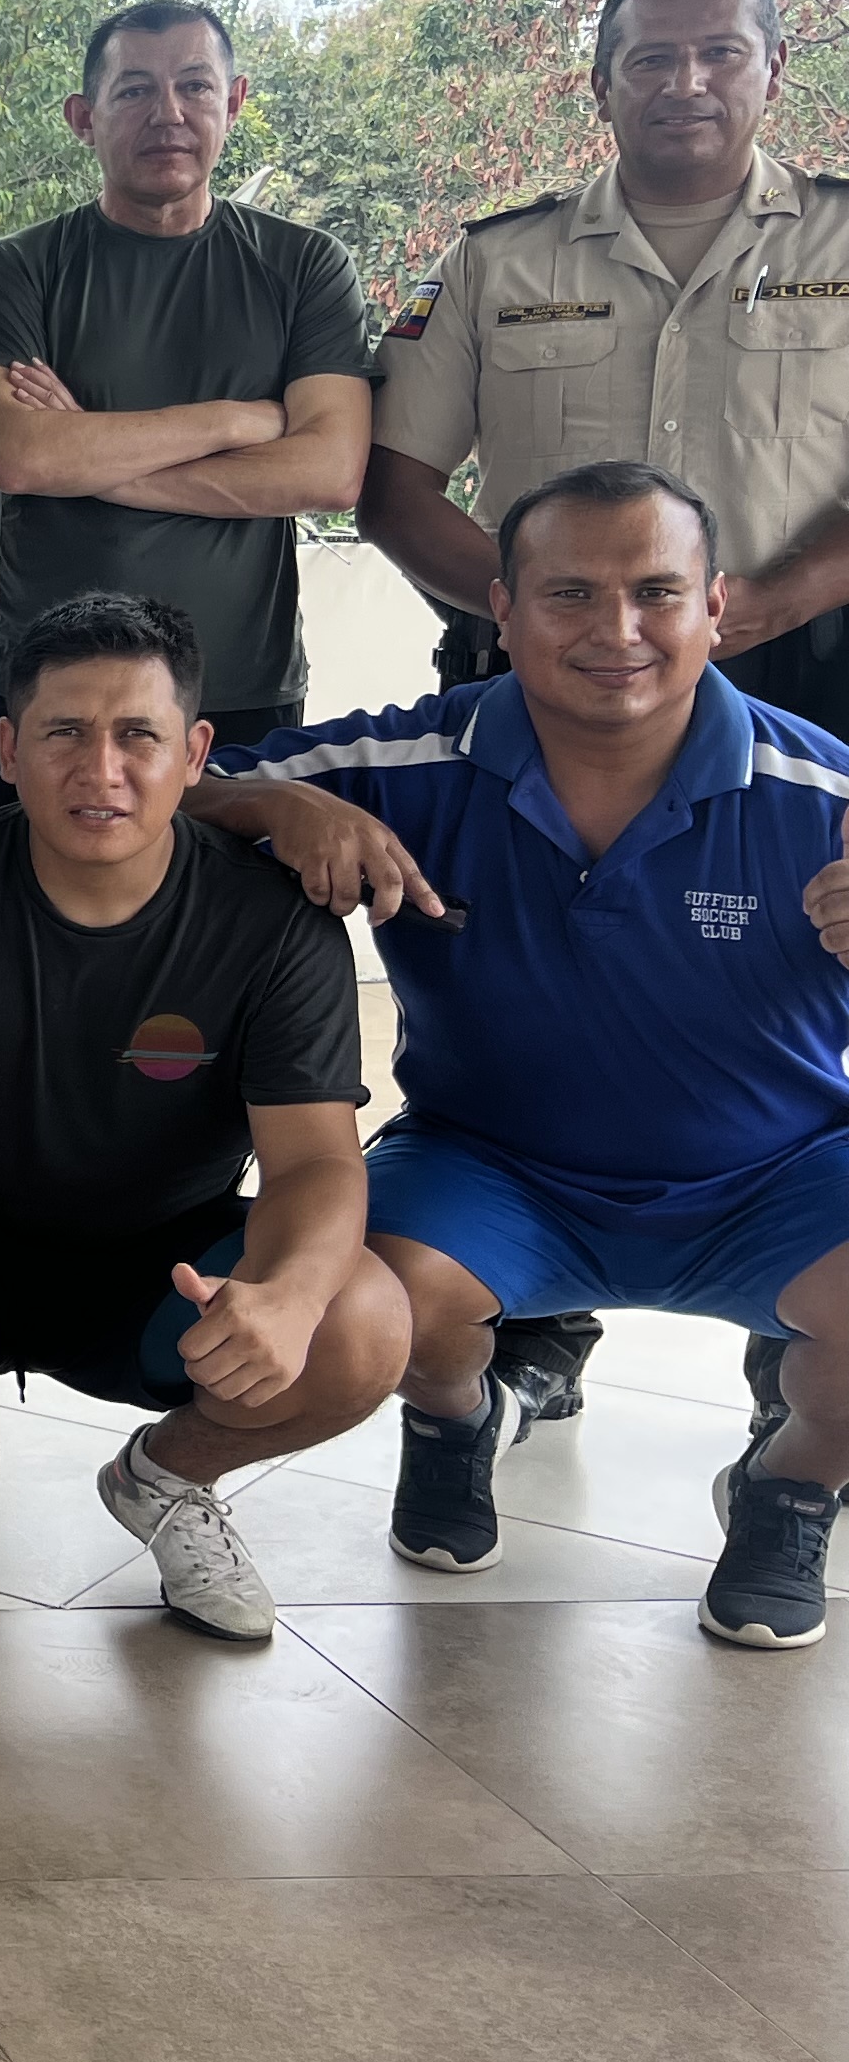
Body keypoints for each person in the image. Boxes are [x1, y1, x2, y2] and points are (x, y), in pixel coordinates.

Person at [192, 463, 849, 1649]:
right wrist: (281, 808)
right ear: (501, 609)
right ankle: (455, 1419)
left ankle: (791, 1489)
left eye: (657, 592)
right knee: (361, 1293)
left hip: (777, 1181)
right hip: (493, 1170)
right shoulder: (414, 761)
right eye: (570, 593)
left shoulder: (824, 788)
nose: (617, 630)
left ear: (716, 606)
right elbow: (159, 788)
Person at [355, 0, 849, 1435]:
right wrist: (541, 619)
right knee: (543, 984)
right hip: (539, 692)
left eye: (719, 52)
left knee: (795, 981)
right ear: (601, 82)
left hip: (804, 669)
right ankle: (530, 1319)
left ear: (773, 69)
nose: (685, 81)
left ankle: (798, 1353)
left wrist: (758, 608)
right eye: (651, 57)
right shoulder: (499, 262)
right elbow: (396, 481)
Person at [0, 592, 406, 1643]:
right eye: (65, 733)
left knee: (363, 1323)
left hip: (168, 1263)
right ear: (8, 749)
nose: (101, 770)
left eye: (138, 736)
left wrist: (293, 1298)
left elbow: (314, 1163)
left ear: (195, 753)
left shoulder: (274, 923)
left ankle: (166, 1479)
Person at [0, 0, 373, 821]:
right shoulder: (17, 270)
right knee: (1, 910)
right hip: (40, 698)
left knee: (231, 911)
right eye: (135, 90)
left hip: (238, 696)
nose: (168, 113)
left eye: (194, 87)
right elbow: (25, 457)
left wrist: (91, 460)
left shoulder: (306, 267)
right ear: (84, 117)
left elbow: (329, 472)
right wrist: (234, 420)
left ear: (234, 102)